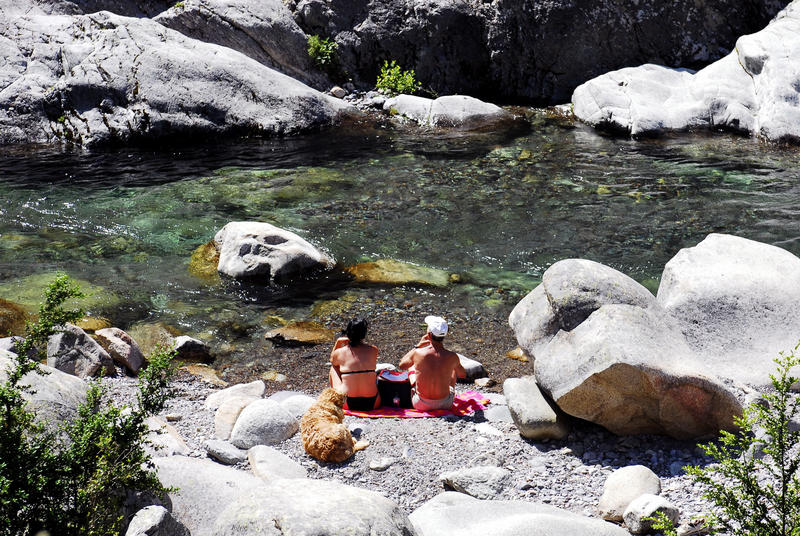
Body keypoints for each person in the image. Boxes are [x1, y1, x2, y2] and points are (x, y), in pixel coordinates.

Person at [398, 315, 466, 411]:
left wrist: (417, 346)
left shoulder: (418, 353)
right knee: (453, 370)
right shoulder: (452, 356)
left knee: (412, 365)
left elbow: (402, 365)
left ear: (429, 335)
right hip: (445, 405)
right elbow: (462, 375)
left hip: (420, 404)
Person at [329, 318, 381, 410]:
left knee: (333, 367)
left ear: (348, 333)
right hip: (373, 403)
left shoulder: (340, 352)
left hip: (347, 403)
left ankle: (334, 395)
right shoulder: (373, 350)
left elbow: (332, 360)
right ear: (364, 334)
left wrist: (338, 343)